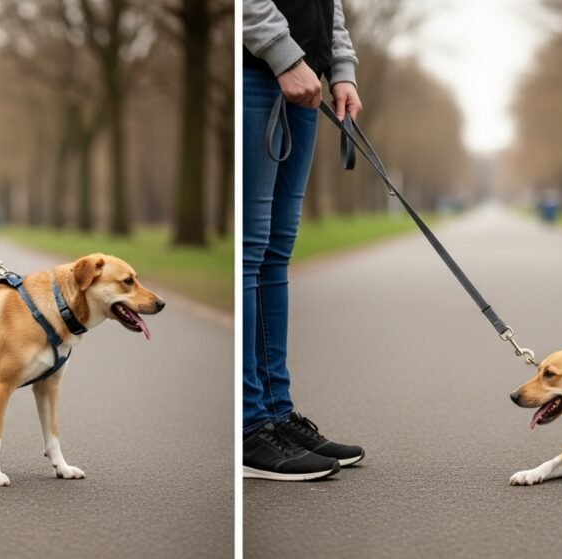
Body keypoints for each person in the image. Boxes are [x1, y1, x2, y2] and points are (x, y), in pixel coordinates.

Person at [242, 0, 366, 481]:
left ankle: (275, 413)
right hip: (257, 71)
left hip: (307, 80)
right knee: (252, 251)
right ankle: (250, 424)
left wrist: (342, 69)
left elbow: (325, 4)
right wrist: (284, 55)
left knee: (275, 253)